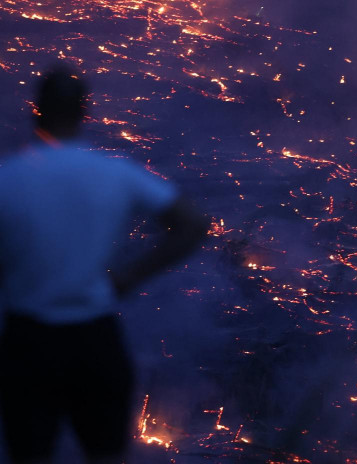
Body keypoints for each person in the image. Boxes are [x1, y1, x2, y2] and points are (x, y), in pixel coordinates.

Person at [0, 66, 208, 464]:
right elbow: (194, 224)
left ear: (36, 111)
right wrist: (130, 277)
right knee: (106, 454)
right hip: (95, 338)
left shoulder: (8, 178)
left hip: (28, 341)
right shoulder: (115, 171)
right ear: (85, 113)